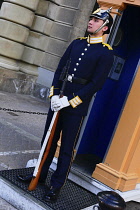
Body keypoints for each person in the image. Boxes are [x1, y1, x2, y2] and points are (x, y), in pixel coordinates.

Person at [17, 7, 114, 202]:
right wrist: (54, 94)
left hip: (75, 106)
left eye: (96, 20)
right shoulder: (76, 44)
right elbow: (60, 68)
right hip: (58, 99)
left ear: (105, 27)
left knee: (67, 149)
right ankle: (39, 175)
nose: (91, 22)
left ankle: (56, 186)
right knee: (48, 141)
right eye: (91, 18)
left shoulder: (105, 53)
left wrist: (69, 101)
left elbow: (96, 84)